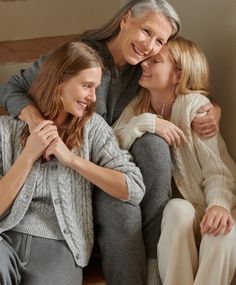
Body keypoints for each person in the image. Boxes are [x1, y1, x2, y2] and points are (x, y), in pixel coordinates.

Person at [0, 1, 221, 284]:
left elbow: (182, 81)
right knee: (122, 208)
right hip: (66, 164)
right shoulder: (76, 58)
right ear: (126, 18)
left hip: (105, 159)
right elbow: (11, 87)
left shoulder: (142, 69)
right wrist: (34, 121)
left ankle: (152, 266)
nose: (150, 46)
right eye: (146, 31)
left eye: (159, 41)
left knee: (152, 151)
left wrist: (212, 108)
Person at [0, 41, 145, 285]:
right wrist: (28, 156)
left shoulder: (93, 129)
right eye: (87, 86)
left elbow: (133, 187)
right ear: (59, 83)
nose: (93, 98)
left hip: (58, 245)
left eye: (96, 88)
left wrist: (72, 160)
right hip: (5, 238)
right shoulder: (6, 129)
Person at [113, 36, 236, 285]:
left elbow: (218, 172)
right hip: (183, 217)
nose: (144, 64)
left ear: (178, 75)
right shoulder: (139, 106)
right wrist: (147, 122)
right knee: (176, 209)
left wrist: (219, 205)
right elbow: (112, 140)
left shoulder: (196, 107)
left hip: (213, 204)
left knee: (222, 233)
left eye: (155, 61)